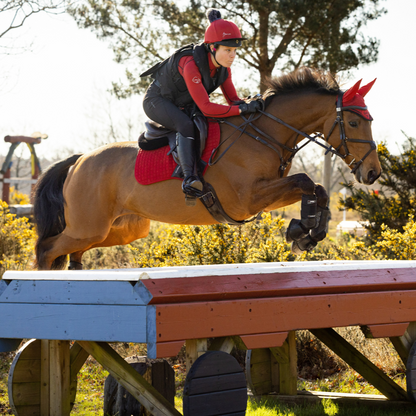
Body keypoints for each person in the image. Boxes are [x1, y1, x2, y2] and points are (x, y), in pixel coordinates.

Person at [141, 8, 261, 205]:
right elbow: (206, 107)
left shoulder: (224, 69)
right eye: (227, 50)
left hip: (183, 103)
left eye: (234, 51)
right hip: (157, 101)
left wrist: (252, 104)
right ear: (213, 47)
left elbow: (233, 101)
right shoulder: (190, 63)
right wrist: (241, 109)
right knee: (185, 125)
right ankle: (190, 179)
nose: (232, 56)